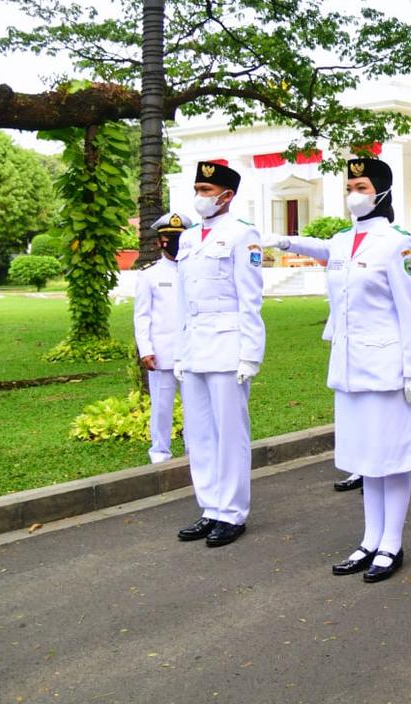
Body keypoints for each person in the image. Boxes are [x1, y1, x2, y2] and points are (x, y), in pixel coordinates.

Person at [276, 157, 411, 583]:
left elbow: (410, 312)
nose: (353, 195)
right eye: (350, 187)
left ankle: (391, 543)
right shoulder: (342, 243)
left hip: (386, 367)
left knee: (391, 458)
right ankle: (369, 538)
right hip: (348, 366)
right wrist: (284, 241)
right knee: (365, 457)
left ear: (381, 192)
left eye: (361, 187)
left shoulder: (396, 244)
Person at [173, 161, 264, 548]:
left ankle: (232, 512)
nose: (200, 196)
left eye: (207, 191)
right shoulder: (189, 238)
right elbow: (182, 300)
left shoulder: (243, 235)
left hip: (228, 347)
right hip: (194, 346)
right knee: (199, 434)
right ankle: (210, 507)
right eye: (198, 189)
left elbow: (250, 298)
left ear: (227, 196)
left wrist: (250, 354)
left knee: (229, 434)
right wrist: (179, 351)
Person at [135, 212, 185, 465]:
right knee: (162, 408)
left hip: (192, 352)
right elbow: (142, 316)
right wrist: (145, 349)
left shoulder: (192, 271)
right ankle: (160, 453)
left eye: (178, 239)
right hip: (162, 353)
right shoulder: (149, 275)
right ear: (159, 242)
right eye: (169, 239)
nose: (174, 244)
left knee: (196, 408)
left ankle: (195, 451)